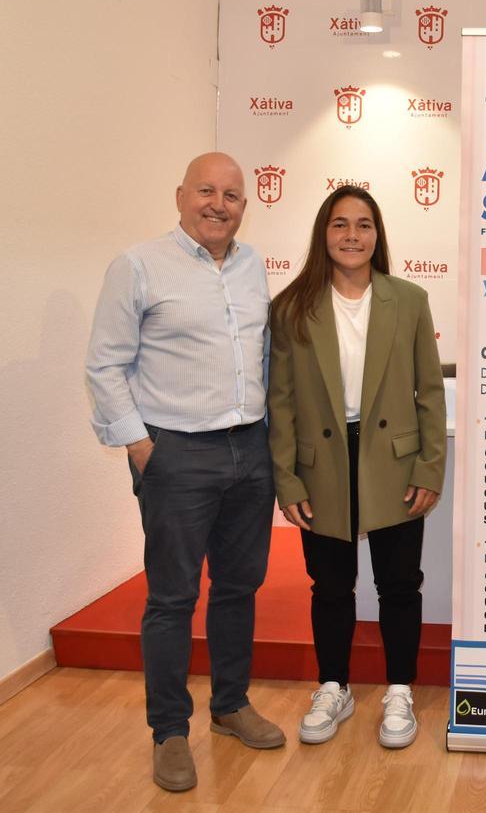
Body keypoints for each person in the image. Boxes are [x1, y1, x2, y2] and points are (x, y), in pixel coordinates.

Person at [85, 153, 284, 792]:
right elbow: (105, 365)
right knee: (171, 599)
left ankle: (230, 705)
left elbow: (262, 356)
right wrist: (142, 448)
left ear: (244, 206)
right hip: (176, 455)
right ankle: (170, 731)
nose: (218, 204)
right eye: (206, 190)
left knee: (238, 588)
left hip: (249, 450)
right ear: (180, 196)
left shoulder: (253, 266)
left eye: (231, 195)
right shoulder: (138, 265)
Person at [268, 185, 446, 751]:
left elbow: (429, 393)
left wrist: (429, 468)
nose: (352, 235)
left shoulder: (409, 300)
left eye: (363, 224)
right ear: (324, 233)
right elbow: (280, 402)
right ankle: (334, 687)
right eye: (340, 224)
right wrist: (287, 478)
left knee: (400, 583)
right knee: (330, 585)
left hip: (394, 461)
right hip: (321, 465)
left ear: (377, 234)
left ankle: (399, 690)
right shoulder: (291, 307)